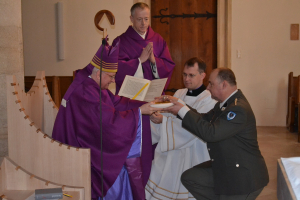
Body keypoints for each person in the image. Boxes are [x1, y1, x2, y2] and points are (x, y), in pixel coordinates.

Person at [52, 38, 161, 200]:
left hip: (85, 147)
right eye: (110, 77)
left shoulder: (93, 85)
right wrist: (138, 113)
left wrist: (146, 104)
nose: (112, 81)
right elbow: (106, 124)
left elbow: (116, 102)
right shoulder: (85, 92)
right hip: (81, 154)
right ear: (98, 74)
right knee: (120, 169)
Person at [162, 68, 269, 200]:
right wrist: (180, 106)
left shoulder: (237, 108)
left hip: (243, 178)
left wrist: (183, 110)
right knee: (190, 178)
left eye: (211, 84)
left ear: (223, 84)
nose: (207, 88)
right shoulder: (225, 104)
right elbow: (204, 119)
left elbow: (211, 133)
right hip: (226, 167)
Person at [145, 58, 217, 199]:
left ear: (203, 75)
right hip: (172, 147)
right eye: (184, 74)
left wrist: (163, 121)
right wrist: (157, 115)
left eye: (191, 75)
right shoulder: (179, 94)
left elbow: (195, 127)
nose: (186, 79)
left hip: (193, 151)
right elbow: (168, 115)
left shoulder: (209, 100)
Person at [112, 2, 175, 94]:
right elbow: (116, 68)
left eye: (146, 19)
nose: (143, 23)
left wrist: (154, 61)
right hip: (131, 97)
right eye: (139, 19)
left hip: (154, 94)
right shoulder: (120, 42)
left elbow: (168, 65)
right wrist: (139, 60)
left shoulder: (158, 39)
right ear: (131, 19)